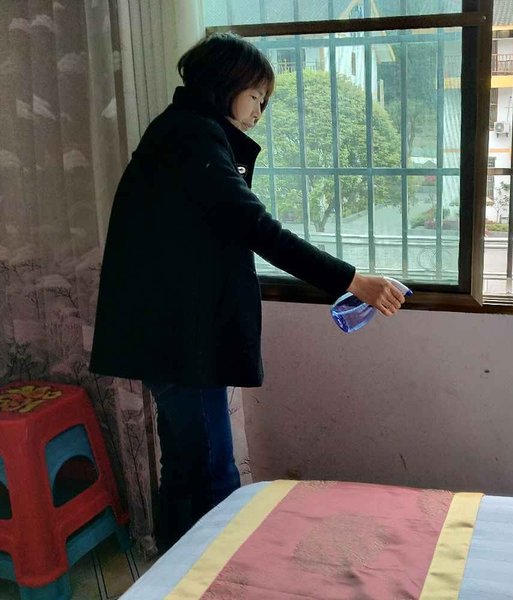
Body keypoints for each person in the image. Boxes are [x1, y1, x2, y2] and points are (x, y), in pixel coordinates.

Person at [89, 33, 406, 551]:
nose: (260, 110)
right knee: (211, 469)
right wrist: (355, 280)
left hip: (174, 334)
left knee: (189, 463)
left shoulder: (186, 132)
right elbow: (257, 228)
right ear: (225, 83)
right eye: (256, 95)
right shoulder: (191, 136)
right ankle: (219, 571)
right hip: (180, 339)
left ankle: (179, 570)